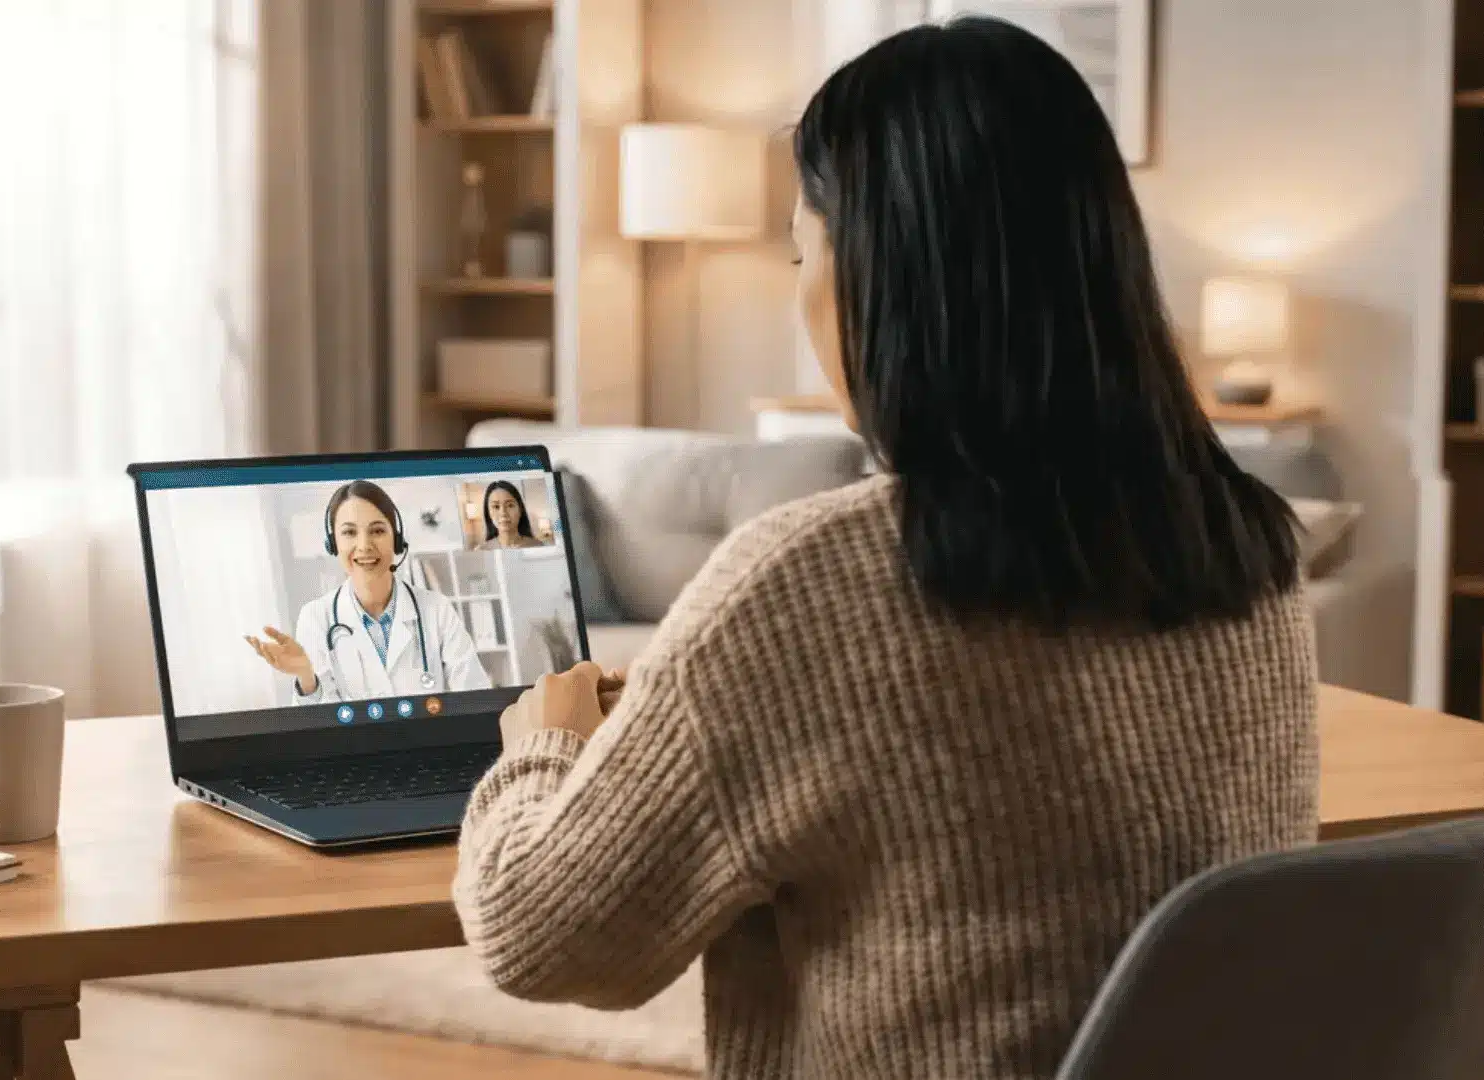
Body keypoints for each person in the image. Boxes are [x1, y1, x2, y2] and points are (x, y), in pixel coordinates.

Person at [452, 19, 1315, 1080]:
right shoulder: (1250, 547)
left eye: (800, 250)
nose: (800, 292)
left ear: (873, 275)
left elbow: (540, 936)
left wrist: (541, 747)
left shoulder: (802, 584)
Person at [246, 480, 492, 703]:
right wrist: (305, 676)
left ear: (396, 539)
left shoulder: (436, 609)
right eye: (349, 532)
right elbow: (319, 731)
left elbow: (474, 697)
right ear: (333, 545)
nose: (364, 546)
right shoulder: (315, 617)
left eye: (377, 531)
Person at [475, 480, 543, 550]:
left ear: (520, 510)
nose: (503, 513)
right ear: (488, 513)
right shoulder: (481, 550)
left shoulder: (538, 546)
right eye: (496, 507)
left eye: (510, 505)